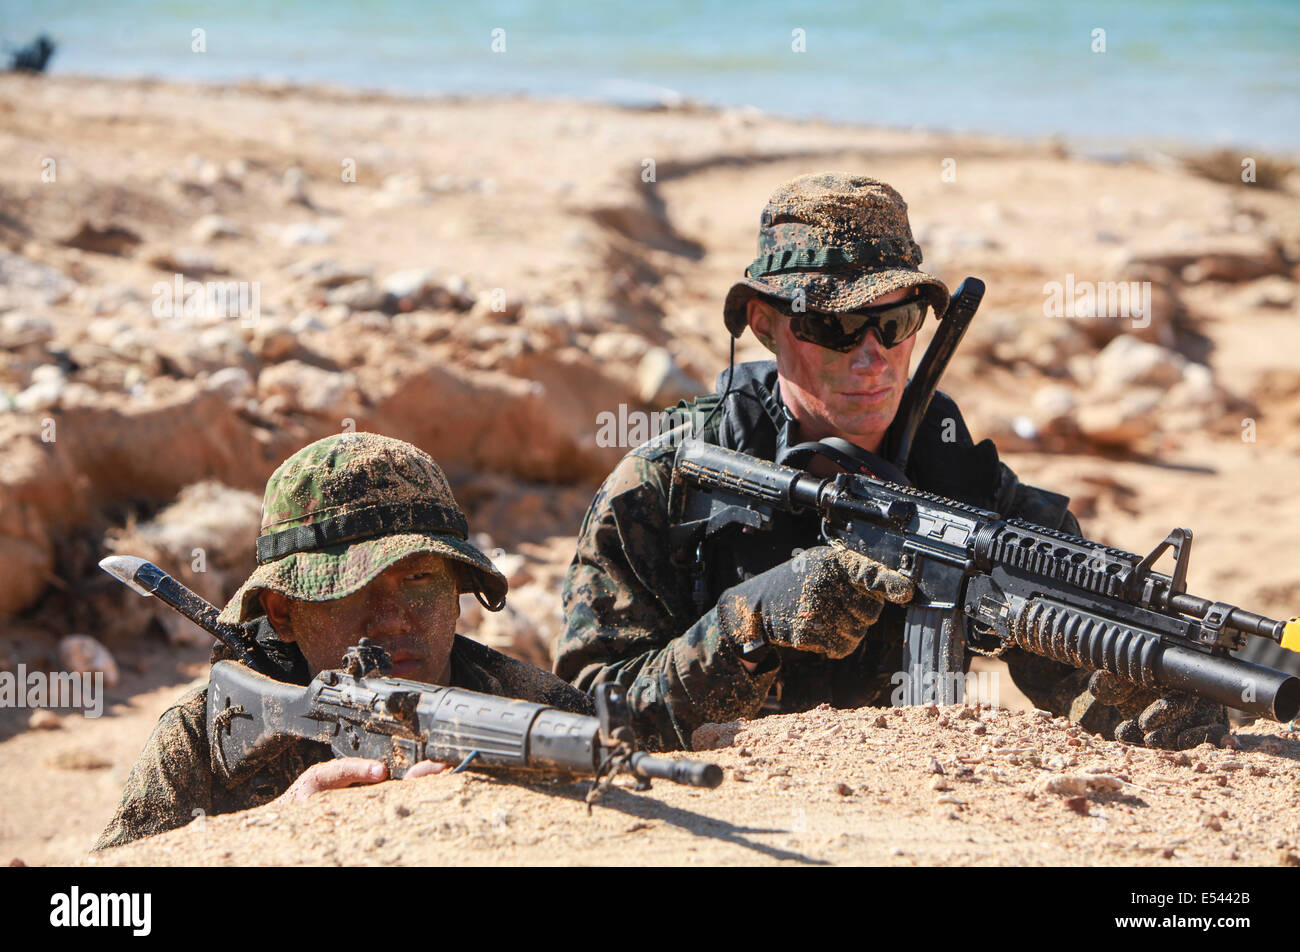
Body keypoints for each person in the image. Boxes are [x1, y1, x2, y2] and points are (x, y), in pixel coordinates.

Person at [556, 173, 1226, 753]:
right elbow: (590, 713)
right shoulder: (673, 481)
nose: (871, 356)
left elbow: (1079, 668)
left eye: (896, 322)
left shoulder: (962, 480)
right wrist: (745, 629)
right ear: (764, 324)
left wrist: (1149, 691)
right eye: (836, 327)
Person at [94, 431, 590, 850]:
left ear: (457, 591)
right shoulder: (205, 733)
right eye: (348, 589)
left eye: (418, 580)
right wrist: (275, 833)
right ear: (282, 611)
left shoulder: (546, 714)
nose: (392, 620)